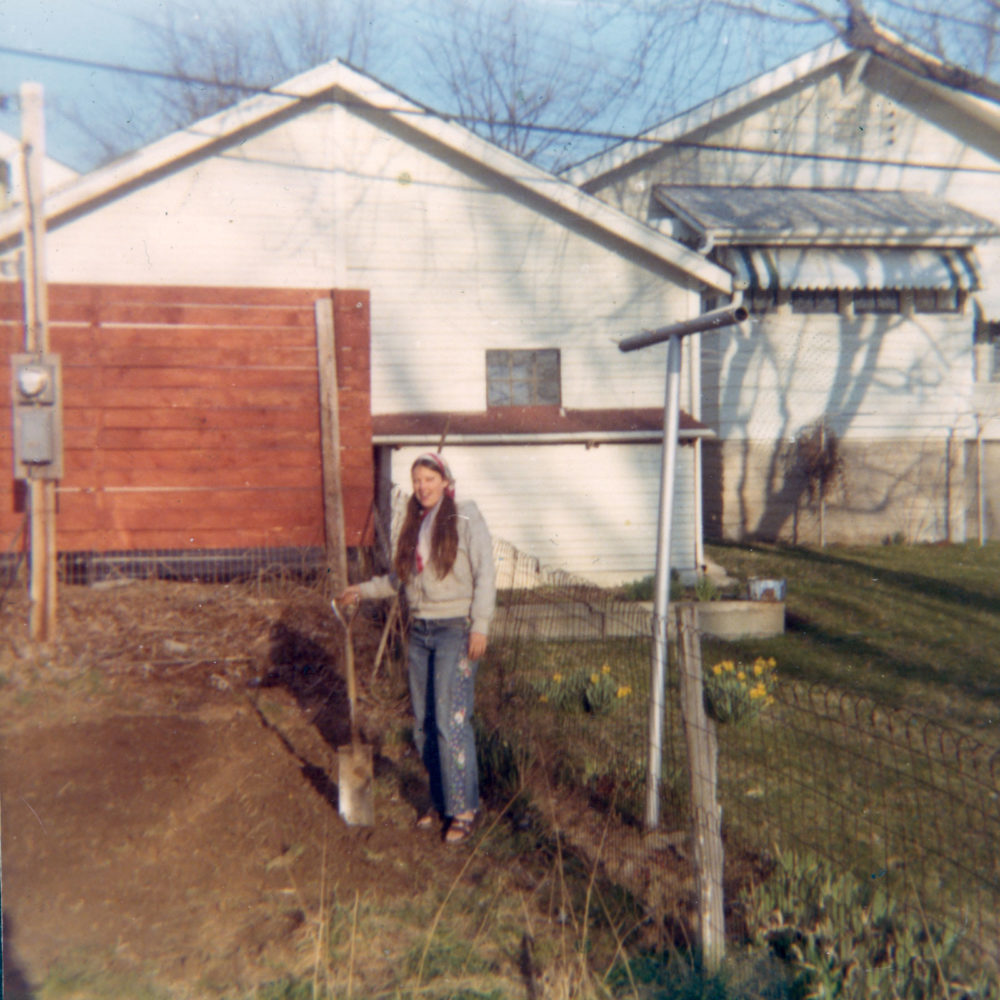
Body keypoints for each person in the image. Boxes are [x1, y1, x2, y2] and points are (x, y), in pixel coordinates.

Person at [338, 453, 495, 844]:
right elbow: (399, 579)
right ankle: (440, 802)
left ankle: (464, 809)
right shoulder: (416, 523)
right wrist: (362, 589)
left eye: (429, 479)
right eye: (417, 480)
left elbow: (486, 572)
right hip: (421, 631)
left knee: (450, 721)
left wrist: (481, 625)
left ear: (444, 481)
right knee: (424, 725)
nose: (423, 487)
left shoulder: (465, 516)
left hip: (456, 630)